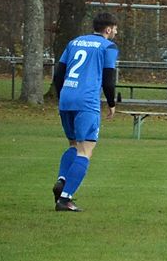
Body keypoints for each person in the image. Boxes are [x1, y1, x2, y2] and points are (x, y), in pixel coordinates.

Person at [51, 12, 120, 211]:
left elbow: (58, 75)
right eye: (115, 29)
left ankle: (62, 179)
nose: (116, 32)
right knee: (85, 150)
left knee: (73, 144)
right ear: (108, 29)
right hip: (86, 101)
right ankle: (65, 198)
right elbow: (108, 79)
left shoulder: (74, 42)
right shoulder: (108, 46)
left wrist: (63, 96)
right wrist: (111, 103)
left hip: (66, 98)